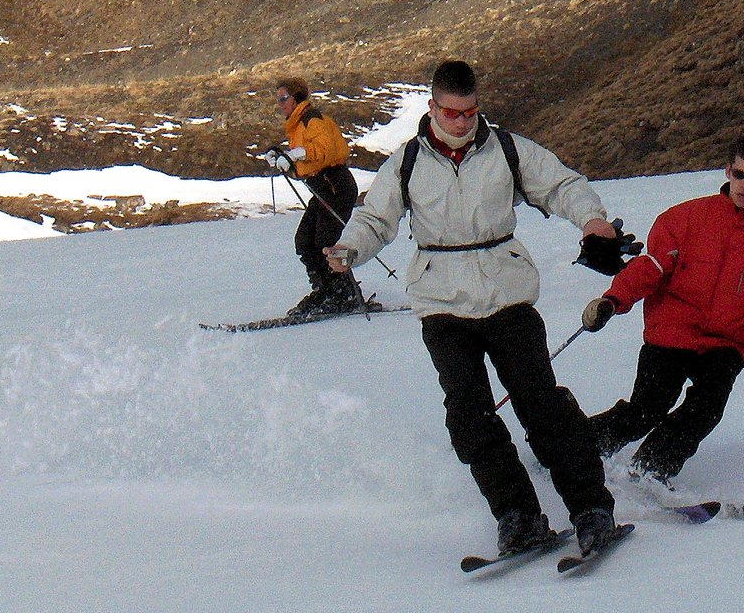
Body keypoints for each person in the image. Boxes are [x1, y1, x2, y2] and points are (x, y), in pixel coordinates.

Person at [326, 59, 620, 555]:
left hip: (508, 296)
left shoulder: (507, 149)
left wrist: (592, 219)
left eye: (469, 112)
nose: (461, 122)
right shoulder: (407, 162)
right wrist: (348, 248)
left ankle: (591, 509)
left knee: (540, 406)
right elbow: (376, 217)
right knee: (468, 416)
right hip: (441, 305)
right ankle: (518, 516)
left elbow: (561, 184)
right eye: (451, 112)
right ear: (432, 108)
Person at [581, 134, 744, 487]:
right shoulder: (684, 219)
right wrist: (611, 301)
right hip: (671, 332)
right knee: (647, 408)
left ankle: (650, 471)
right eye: (739, 174)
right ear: (727, 171)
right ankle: (577, 448)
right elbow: (650, 268)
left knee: (705, 410)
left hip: (726, 344)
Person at [265, 76, 359, 316]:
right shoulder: (297, 125)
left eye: (283, 98)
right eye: (278, 99)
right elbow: (310, 162)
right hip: (323, 188)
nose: (280, 103)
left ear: (296, 98)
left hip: (336, 186)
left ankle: (343, 293)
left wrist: (294, 155)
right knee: (305, 241)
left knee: (325, 242)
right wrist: (285, 159)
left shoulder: (311, 119)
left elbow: (323, 149)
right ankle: (326, 290)